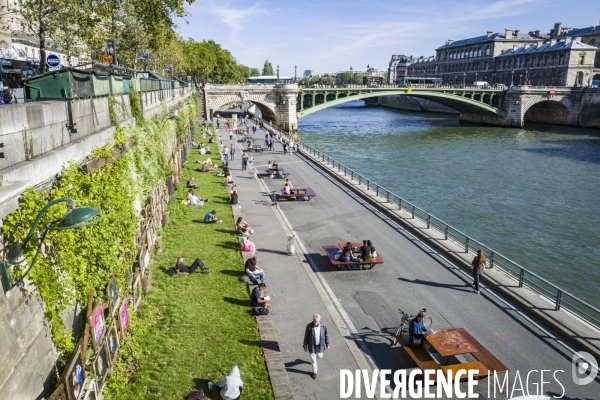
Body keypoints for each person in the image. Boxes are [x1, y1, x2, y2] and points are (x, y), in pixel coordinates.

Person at [303, 314, 330, 379]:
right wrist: (305, 346)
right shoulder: (309, 326)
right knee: (314, 360)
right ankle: (315, 372)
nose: (315, 322)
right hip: (312, 345)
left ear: (319, 320)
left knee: (320, 356)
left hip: (320, 345)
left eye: (317, 321)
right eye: (314, 321)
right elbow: (306, 336)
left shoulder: (323, 326)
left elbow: (326, 335)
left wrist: (327, 344)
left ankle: (314, 360)